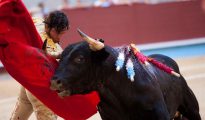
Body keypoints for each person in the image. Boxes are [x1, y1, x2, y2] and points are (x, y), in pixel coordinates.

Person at [10, 10, 69, 120]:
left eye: (62, 34)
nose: (59, 38)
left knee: (19, 114)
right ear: (49, 28)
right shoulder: (44, 43)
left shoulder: (38, 21)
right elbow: (45, 56)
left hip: (27, 81)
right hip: (40, 86)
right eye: (58, 33)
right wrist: (62, 54)